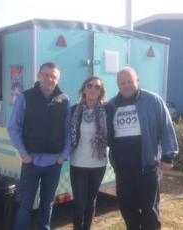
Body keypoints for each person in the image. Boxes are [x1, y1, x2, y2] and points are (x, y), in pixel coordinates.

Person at [106, 67, 179, 230]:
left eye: (130, 81)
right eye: (122, 83)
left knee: (149, 210)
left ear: (137, 81)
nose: (127, 86)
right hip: (123, 169)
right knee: (127, 209)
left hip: (147, 167)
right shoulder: (111, 105)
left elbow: (166, 127)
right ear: (118, 85)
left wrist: (168, 156)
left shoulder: (153, 100)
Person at [8, 62, 71, 230]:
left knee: (48, 203)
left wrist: (63, 155)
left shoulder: (64, 100)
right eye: (46, 75)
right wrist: (23, 154)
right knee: (25, 203)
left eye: (53, 76)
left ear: (58, 79)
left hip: (54, 164)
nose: (49, 79)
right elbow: (13, 127)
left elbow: (68, 131)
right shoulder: (25, 97)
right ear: (39, 75)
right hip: (31, 162)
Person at [70, 76, 108, 230]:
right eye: (89, 85)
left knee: (91, 201)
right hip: (78, 163)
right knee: (79, 202)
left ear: (101, 92)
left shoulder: (107, 111)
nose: (93, 89)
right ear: (84, 89)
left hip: (98, 164)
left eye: (97, 87)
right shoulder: (74, 110)